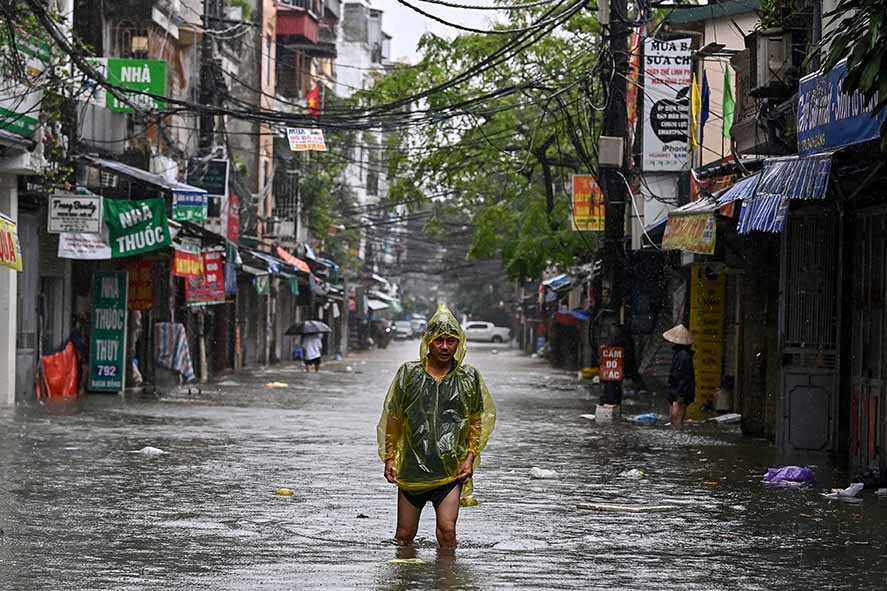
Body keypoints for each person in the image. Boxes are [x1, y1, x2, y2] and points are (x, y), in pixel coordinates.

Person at [377, 304, 496, 549]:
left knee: (447, 531)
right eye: (439, 340)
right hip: (412, 469)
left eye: (451, 341)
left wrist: (470, 458)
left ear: (459, 343)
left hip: (451, 470)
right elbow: (394, 418)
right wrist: (390, 458)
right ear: (428, 342)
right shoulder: (408, 374)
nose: (444, 346)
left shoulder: (468, 378)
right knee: (404, 536)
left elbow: (477, 421)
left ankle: (447, 579)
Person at [663, 323, 695, 429]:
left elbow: (681, 374)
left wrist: (677, 391)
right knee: (677, 411)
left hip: (680, 387)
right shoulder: (683, 354)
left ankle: (676, 429)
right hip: (681, 387)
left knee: (677, 413)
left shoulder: (683, 355)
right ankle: (677, 428)